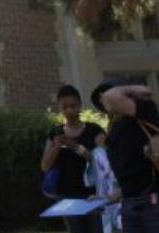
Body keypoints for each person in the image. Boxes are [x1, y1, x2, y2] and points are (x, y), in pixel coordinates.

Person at [93, 79, 159, 233]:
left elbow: (111, 97)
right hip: (129, 206)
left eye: (105, 96)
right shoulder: (115, 131)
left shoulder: (144, 112)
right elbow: (129, 177)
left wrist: (135, 88)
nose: (105, 101)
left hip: (155, 205)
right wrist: (105, 199)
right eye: (101, 101)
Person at [41, 85, 105, 233]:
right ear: (59, 108)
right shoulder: (55, 132)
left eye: (73, 106)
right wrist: (56, 146)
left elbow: (103, 162)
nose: (69, 110)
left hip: (93, 193)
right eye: (65, 107)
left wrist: (77, 147)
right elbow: (44, 166)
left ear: (80, 105)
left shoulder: (93, 130)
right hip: (67, 195)